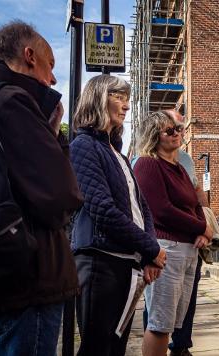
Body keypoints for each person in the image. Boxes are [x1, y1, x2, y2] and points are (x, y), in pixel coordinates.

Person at [0, 21, 83, 355]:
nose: (52, 79)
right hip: (31, 274)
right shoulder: (11, 100)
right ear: (29, 56)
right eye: (49, 65)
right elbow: (61, 193)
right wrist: (56, 143)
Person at [69, 74, 165, 355]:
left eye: (127, 99)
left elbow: (142, 207)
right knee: (97, 349)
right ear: (98, 99)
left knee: (116, 346)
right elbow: (102, 209)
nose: (125, 106)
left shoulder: (119, 154)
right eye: (118, 97)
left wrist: (149, 253)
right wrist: (151, 247)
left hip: (127, 265)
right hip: (100, 262)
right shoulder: (83, 146)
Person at [133, 110, 213, 356]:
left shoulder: (178, 167)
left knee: (174, 322)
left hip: (188, 250)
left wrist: (204, 232)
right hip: (166, 249)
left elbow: (195, 202)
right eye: (170, 130)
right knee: (159, 323)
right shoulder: (148, 164)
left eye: (178, 129)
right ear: (154, 136)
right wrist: (200, 227)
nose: (177, 133)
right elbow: (161, 210)